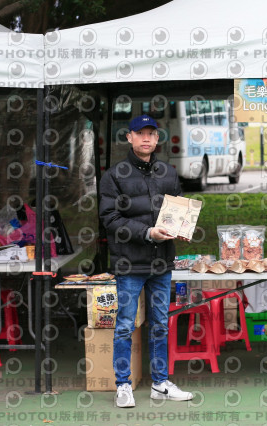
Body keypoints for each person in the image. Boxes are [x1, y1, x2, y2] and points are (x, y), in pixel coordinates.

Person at [99, 114, 194, 408]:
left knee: (160, 325)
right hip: (129, 264)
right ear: (129, 137)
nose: (146, 138)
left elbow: (179, 209)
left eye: (151, 133)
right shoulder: (113, 176)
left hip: (161, 264)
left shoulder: (168, 173)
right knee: (125, 326)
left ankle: (160, 383)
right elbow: (109, 219)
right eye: (140, 133)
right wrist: (147, 233)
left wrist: (183, 227)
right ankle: (123, 385)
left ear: (156, 139)